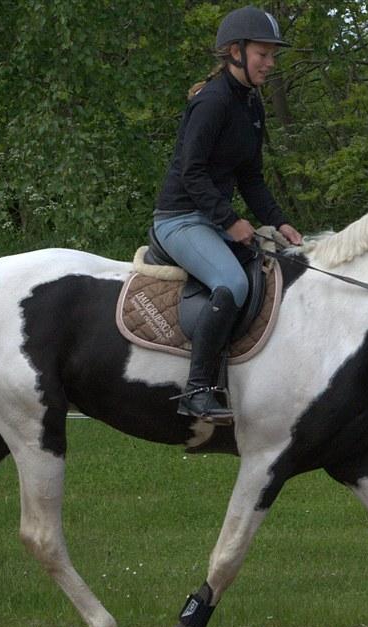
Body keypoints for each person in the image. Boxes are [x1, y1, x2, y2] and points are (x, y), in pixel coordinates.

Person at [154, 5, 303, 424]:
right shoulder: (213, 102)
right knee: (233, 283)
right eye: (263, 54)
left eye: (273, 56)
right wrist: (230, 222)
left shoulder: (251, 105)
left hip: (211, 218)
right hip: (179, 218)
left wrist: (279, 219)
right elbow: (192, 172)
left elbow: (251, 177)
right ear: (235, 52)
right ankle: (197, 389)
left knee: (273, 272)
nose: (270, 64)